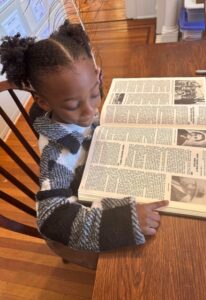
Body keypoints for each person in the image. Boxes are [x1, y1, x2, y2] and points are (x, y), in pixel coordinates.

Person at [0, 20, 168, 252]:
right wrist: (119, 223)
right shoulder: (57, 152)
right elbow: (50, 218)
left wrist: (93, 86)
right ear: (44, 102)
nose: (89, 110)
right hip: (95, 214)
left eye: (93, 94)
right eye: (73, 104)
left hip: (109, 167)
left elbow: (85, 95)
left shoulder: (78, 103)